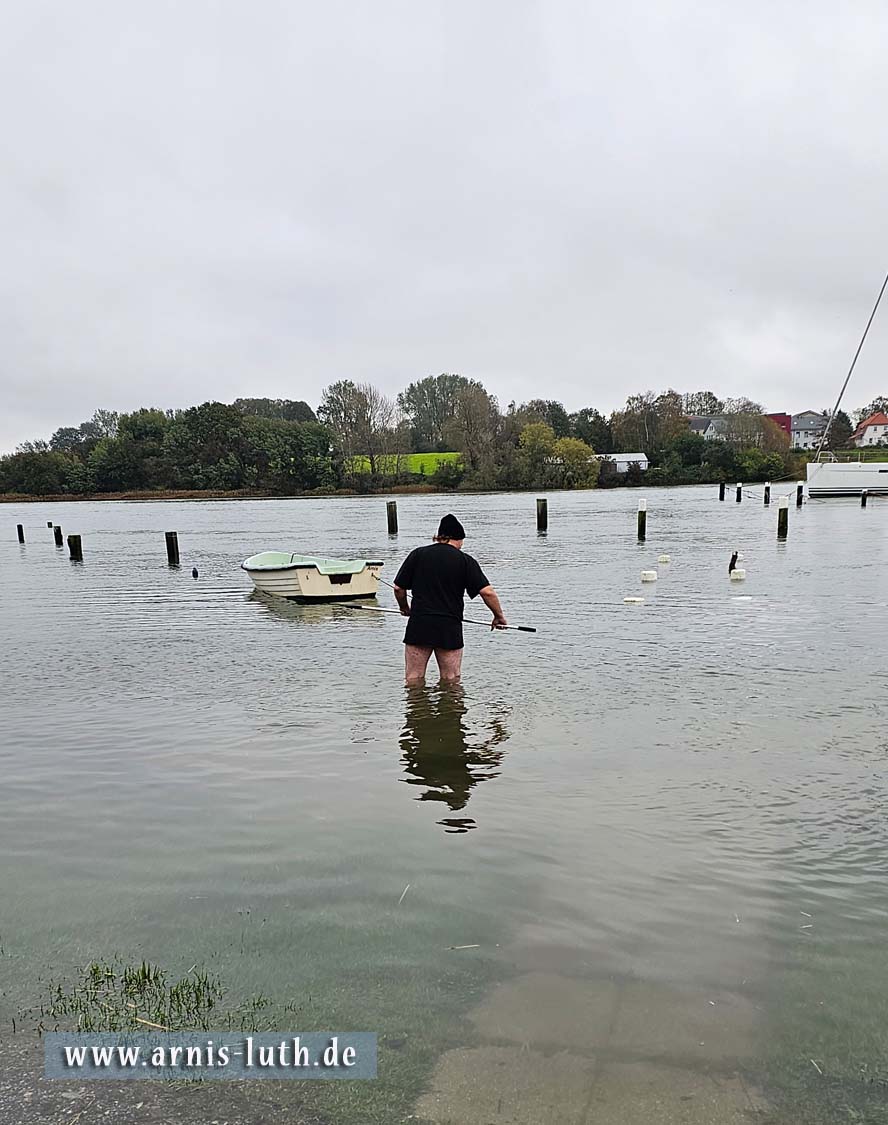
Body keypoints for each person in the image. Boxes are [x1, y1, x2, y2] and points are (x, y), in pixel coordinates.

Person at [392, 514, 507, 684]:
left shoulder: (417, 554)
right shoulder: (465, 560)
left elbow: (398, 588)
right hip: (449, 627)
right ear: (458, 539)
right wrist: (498, 616)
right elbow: (488, 592)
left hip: (419, 624)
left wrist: (405, 607)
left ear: (440, 537)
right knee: (451, 681)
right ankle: (449, 709)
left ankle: (416, 709)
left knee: (413, 679)